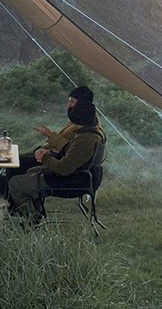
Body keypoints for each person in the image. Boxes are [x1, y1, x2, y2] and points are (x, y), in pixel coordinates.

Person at [6, 87, 105, 223]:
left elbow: (65, 167)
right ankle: (34, 211)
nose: (73, 125)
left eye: (72, 102)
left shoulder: (85, 138)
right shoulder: (87, 128)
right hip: (76, 175)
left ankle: (32, 220)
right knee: (31, 171)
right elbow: (69, 151)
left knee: (15, 183)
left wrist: (45, 157)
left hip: (71, 181)